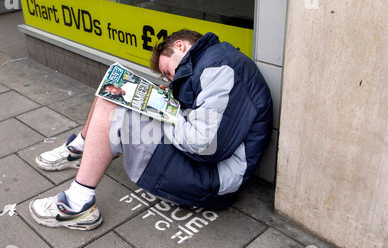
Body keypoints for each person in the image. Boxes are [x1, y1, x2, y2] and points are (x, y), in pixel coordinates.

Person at [29, 29, 273, 231]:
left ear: (180, 46)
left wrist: (167, 111)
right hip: (206, 166)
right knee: (113, 87)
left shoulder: (219, 68)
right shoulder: (215, 62)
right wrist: (169, 101)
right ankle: (81, 148)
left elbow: (204, 145)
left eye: (168, 71)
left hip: (213, 180)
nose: (170, 79)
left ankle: (77, 204)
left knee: (112, 103)